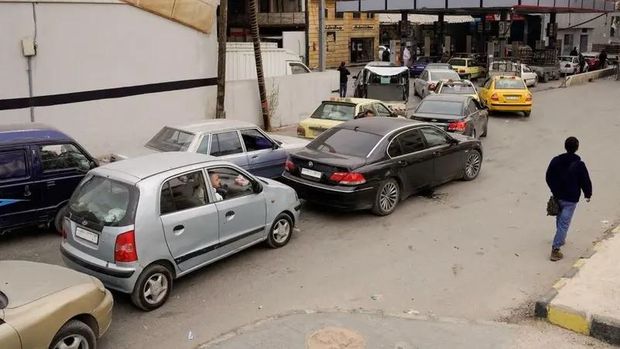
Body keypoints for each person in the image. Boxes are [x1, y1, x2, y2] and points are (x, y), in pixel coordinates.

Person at [545, 137, 592, 262]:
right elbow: (585, 181)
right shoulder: (579, 165)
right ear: (577, 148)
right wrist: (588, 194)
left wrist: (554, 190)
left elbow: (548, 176)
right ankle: (556, 249)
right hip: (571, 199)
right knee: (564, 222)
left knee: (560, 218)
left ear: (565, 146)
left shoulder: (556, 161)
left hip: (558, 196)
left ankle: (560, 237)